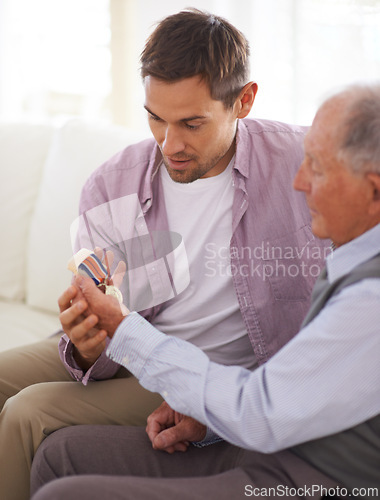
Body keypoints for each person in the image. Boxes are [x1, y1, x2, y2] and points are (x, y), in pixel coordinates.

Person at [0, 9, 328, 500]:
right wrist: (88, 344)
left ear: (244, 100)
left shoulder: (301, 165)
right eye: (156, 118)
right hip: (125, 348)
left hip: (200, 369)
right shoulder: (114, 184)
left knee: (29, 413)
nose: (169, 144)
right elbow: (105, 322)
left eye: (192, 123)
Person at [30, 83, 380, 500]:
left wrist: (123, 329)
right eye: (156, 117)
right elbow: (301, 391)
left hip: (314, 480)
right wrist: (210, 422)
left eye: (318, 169)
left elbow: (260, 411)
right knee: (60, 454)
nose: (299, 182)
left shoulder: (369, 298)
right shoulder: (353, 257)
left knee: (58, 481)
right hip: (270, 439)